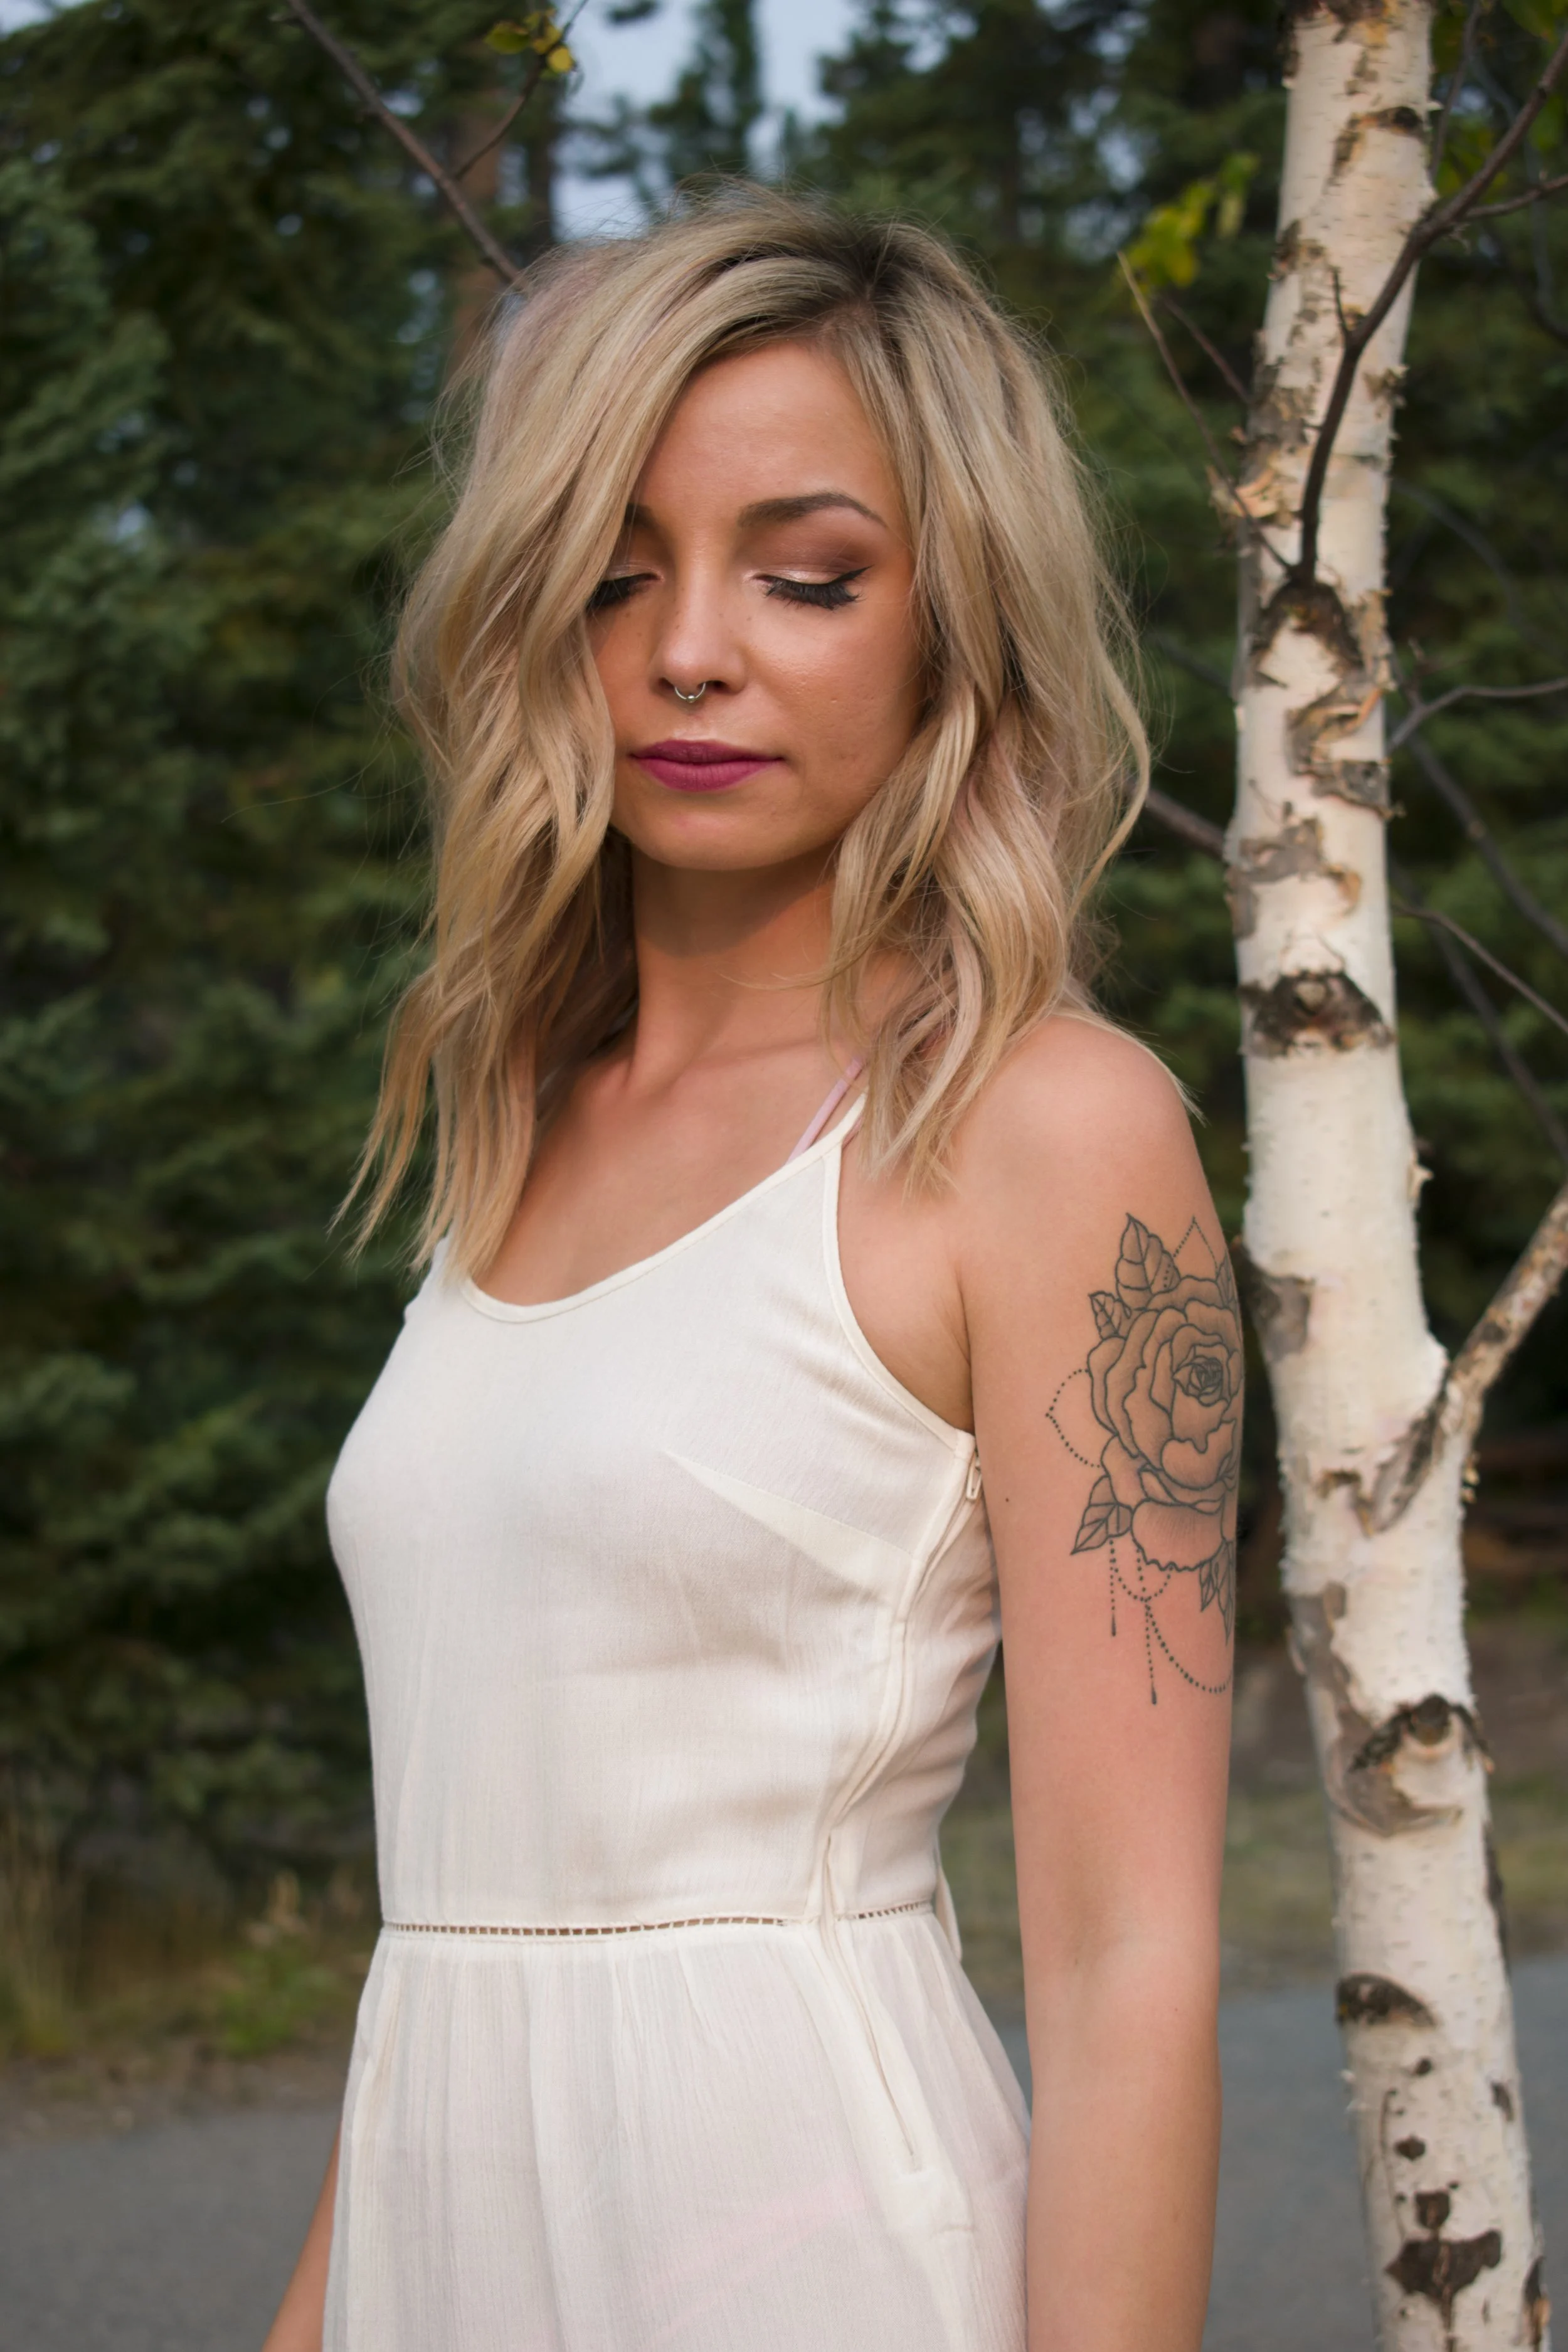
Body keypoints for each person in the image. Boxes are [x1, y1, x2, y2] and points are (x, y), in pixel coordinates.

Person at [263, 188, 1237, 2352]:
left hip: (803, 2253)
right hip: (448, 2248)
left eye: (806, 575)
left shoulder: (1044, 1126)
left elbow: (1124, 1953)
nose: (688, 646)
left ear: (947, 613)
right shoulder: (520, 1109)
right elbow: (474, 1900)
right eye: (613, 574)